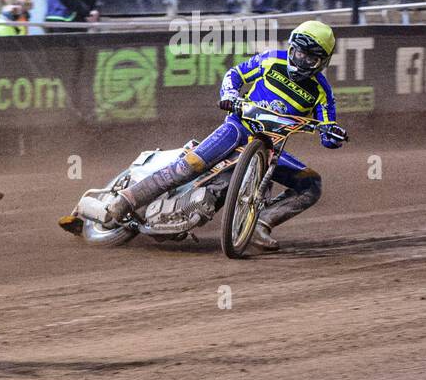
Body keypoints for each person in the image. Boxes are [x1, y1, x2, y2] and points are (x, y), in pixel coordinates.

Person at [102, 21, 346, 250]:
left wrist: (332, 133)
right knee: (191, 165)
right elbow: (235, 74)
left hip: (271, 148)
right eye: (298, 53)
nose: (302, 61)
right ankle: (128, 198)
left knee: (311, 184)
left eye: (310, 58)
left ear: (322, 62)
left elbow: (328, 131)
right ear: (291, 47)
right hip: (238, 128)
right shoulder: (271, 60)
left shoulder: (322, 91)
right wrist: (230, 94)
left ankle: (260, 223)